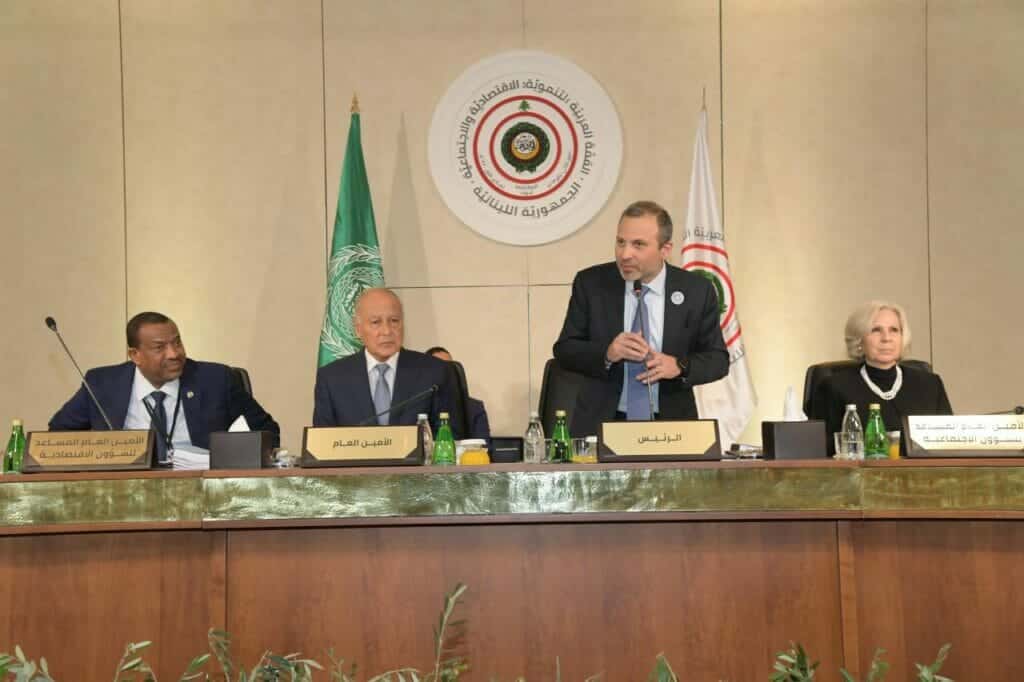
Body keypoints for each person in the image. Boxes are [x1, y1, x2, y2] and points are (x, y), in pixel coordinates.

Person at [552, 200, 729, 436]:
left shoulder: (696, 290)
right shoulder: (591, 284)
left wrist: (679, 366)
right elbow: (565, 350)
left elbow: (718, 360)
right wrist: (607, 353)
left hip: (672, 425)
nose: (625, 254)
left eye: (638, 245)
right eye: (620, 242)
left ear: (665, 249)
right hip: (602, 422)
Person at [48, 312, 281, 459]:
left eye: (177, 343)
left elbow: (268, 432)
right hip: (125, 492)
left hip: (201, 489)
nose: (174, 354)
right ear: (135, 355)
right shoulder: (102, 384)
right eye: (160, 347)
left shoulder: (216, 380)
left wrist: (230, 459)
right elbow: (58, 435)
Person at [808, 300, 952, 454]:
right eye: (876, 330)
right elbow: (819, 449)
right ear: (859, 340)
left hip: (924, 470)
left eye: (894, 330)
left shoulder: (930, 385)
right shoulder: (834, 387)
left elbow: (950, 444)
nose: (886, 338)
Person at [313, 288, 463, 436]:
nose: (387, 331)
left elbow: (451, 438)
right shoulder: (332, 379)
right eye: (376, 322)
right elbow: (322, 442)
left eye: (394, 321)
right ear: (358, 329)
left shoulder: (435, 372)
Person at [425, 346, 491, 441]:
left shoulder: (474, 408)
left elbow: (484, 445)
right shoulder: (418, 408)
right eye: (440, 367)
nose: (446, 372)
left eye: (449, 367)